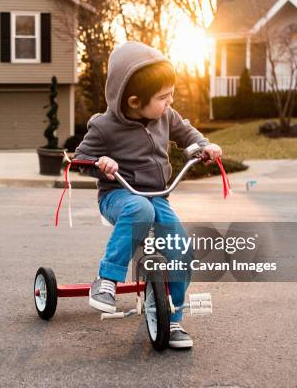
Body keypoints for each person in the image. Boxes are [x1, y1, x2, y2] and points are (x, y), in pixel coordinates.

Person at [75, 41, 223, 349]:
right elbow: (80, 160)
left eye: (171, 94)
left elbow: (188, 135)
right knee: (140, 210)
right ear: (133, 101)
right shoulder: (104, 127)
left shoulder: (166, 116)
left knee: (180, 248)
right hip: (118, 196)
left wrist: (204, 146)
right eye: (163, 97)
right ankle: (106, 280)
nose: (171, 101)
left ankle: (175, 318)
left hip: (158, 196)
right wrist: (101, 164)